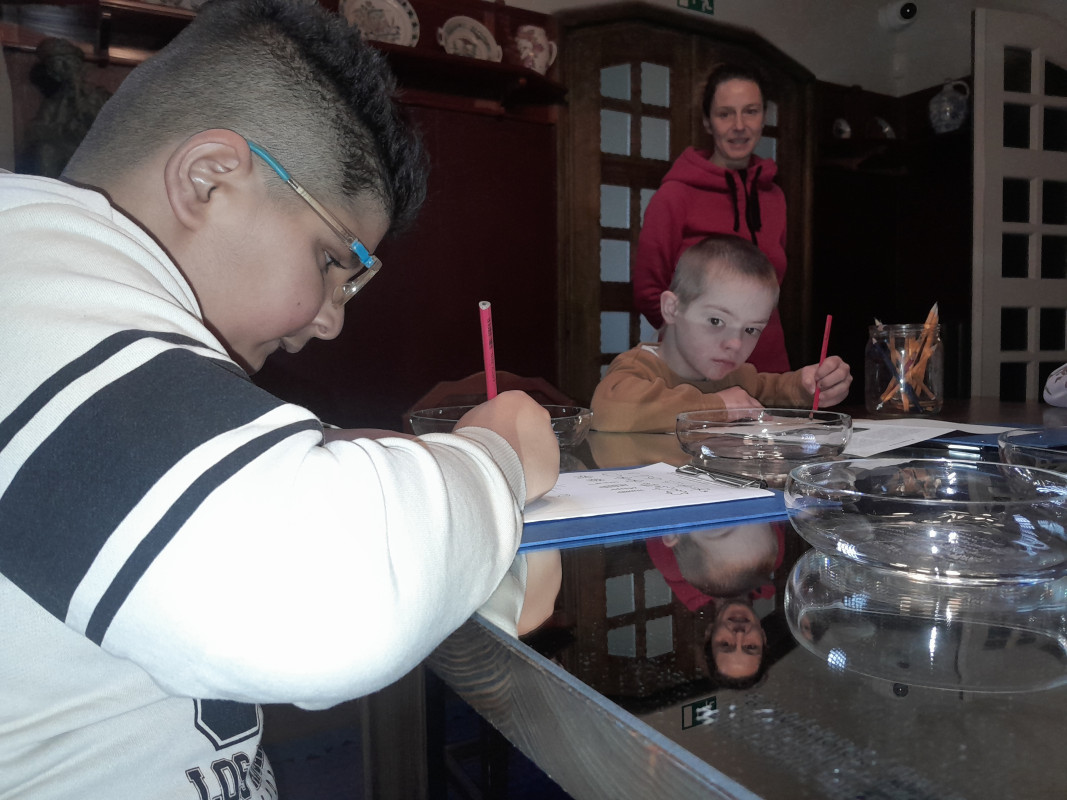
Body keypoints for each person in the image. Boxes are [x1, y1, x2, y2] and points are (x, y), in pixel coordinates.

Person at [0, 1, 561, 797]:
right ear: (209, 179)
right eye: (332, 261)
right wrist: (495, 454)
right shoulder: (22, 283)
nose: (330, 320)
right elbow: (321, 612)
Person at [592, 235, 851, 433]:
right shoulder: (640, 367)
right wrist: (718, 407)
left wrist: (808, 385)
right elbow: (609, 409)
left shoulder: (735, 376)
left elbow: (772, 389)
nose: (735, 343)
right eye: (716, 321)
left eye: (751, 329)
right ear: (672, 309)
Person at [633, 62, 791, 373]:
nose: (739, 125)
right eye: (725, 114)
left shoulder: (774, 197)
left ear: (763, 118)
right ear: (708, 122)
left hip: (768, 368)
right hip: (700, 372)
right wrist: (697, 353)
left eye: (750, 111)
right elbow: (649, 292)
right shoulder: (675, 195)